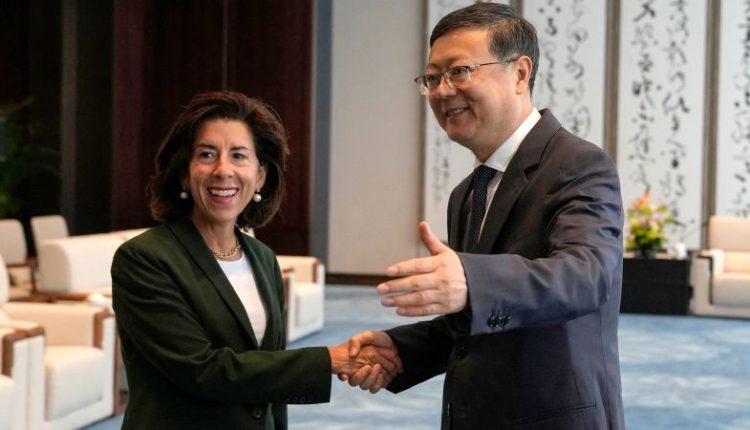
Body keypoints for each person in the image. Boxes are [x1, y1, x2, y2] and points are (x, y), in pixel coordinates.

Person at [346, 3, 625, 429]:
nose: (442, 91)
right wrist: (400, 350)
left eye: (460, 71)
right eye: (432, 78)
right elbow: (476, 318)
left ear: (520, 73)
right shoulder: (467, 193)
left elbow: (586, 276)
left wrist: (472, 281)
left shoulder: (578, 163)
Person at [111, 91, 400, 430]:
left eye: (239, 155)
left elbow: (270, 375)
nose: (223, 170)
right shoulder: (145, 258)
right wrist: (328, 361)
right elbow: (200, 370)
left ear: (260, 175)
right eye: (206, 155)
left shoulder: (262, 258)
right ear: (184, 173)